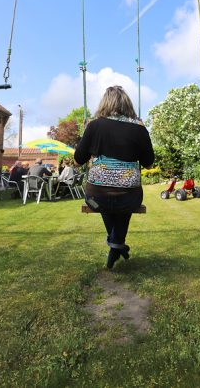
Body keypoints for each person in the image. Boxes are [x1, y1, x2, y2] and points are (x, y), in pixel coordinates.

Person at [74, 85, 154, 269]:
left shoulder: (94, 126)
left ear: (104, 103)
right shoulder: (139, 129)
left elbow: (78, 160)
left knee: (100, 198)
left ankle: (116, 245)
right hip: (130, 200)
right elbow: (149, 164)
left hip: (95, 200)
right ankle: (117, 245)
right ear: (128, 104)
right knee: (123, 202)